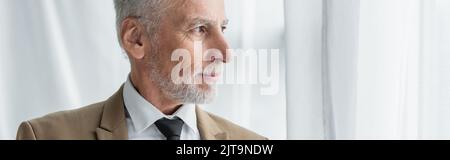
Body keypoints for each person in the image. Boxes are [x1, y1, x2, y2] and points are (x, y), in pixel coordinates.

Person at [16, 0, 266, 140]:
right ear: (136, 39)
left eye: (222, 28)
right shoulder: (45, 137)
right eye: (200, 29)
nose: (225, 53)